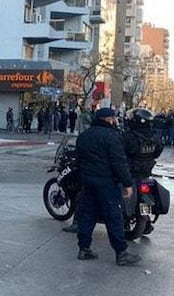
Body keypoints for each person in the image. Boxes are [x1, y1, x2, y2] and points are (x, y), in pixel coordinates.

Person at [74, 107, 141, 266]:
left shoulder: (84, 136)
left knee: (88, 214)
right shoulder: (112, 137)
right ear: (108, 120)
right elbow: (118, 162)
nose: (116, 121)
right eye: (114, 118)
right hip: (106, 183)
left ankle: (84, 248)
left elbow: (79, 160)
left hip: (88, 181)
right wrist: (127, 183)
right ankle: (121, 253)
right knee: (114, 216)